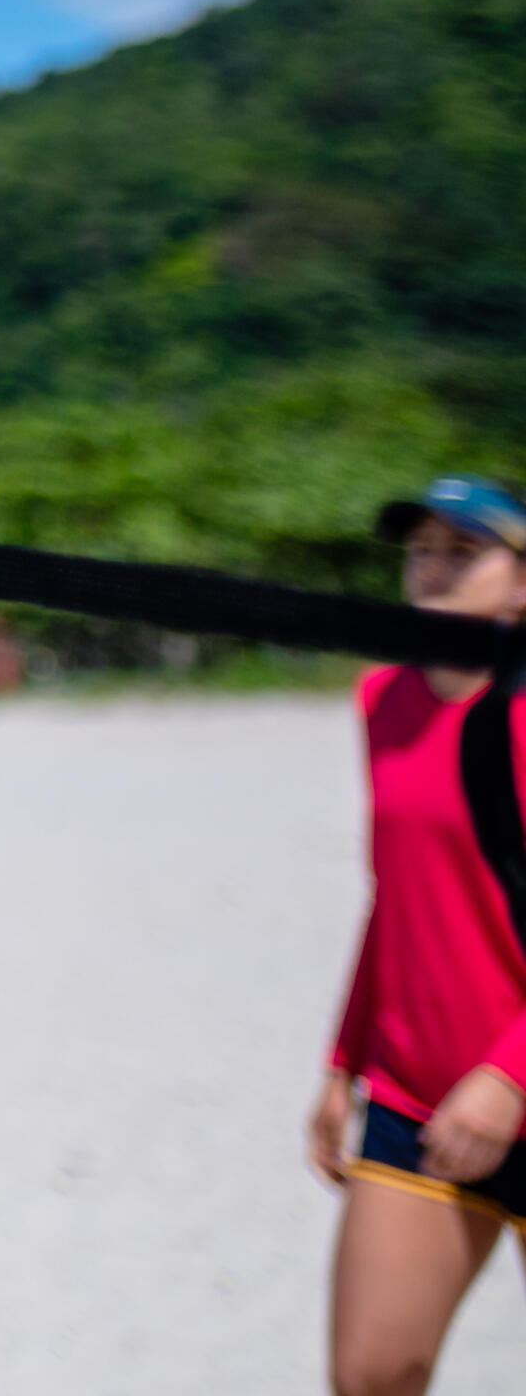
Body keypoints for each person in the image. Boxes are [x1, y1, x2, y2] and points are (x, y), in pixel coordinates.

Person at [312, 476, 526, 1396]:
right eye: (421, 550)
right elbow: (394, 896)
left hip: (505, 1076)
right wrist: (340, 1060)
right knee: (373, 1375)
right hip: (419, 1090)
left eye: (464, 550)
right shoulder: (384, 699)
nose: (433, 568)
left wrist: (512, 1074)